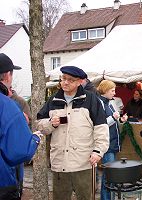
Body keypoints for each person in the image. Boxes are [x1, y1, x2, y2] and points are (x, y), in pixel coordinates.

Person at [37, 66, 109, 200]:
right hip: (59, 164)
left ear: (79, 82)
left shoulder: (91, 100)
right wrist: (50, 123)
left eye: (70, 80)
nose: (65, 82)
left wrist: (98, 151)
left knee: (86, 197)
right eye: (63, 78)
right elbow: (40, 125)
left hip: (83, 163)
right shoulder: (53, 100)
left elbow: (101, 128)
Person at [0, 53, 40, 200]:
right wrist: (35, 138)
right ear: (8, 75)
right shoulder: (8, 106)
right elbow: (20, 152)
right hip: (3, 181)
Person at [96, 80, 128, 200]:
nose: (114, 93)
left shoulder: (108, 103)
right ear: (105, 90)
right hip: (107, 145)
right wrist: (113, 118)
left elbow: (112, 122)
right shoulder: (100, 103)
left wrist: (120, 120)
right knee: (109, 176)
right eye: (112, 90)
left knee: (111, 175)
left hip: (112, 143)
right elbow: (100, 124)